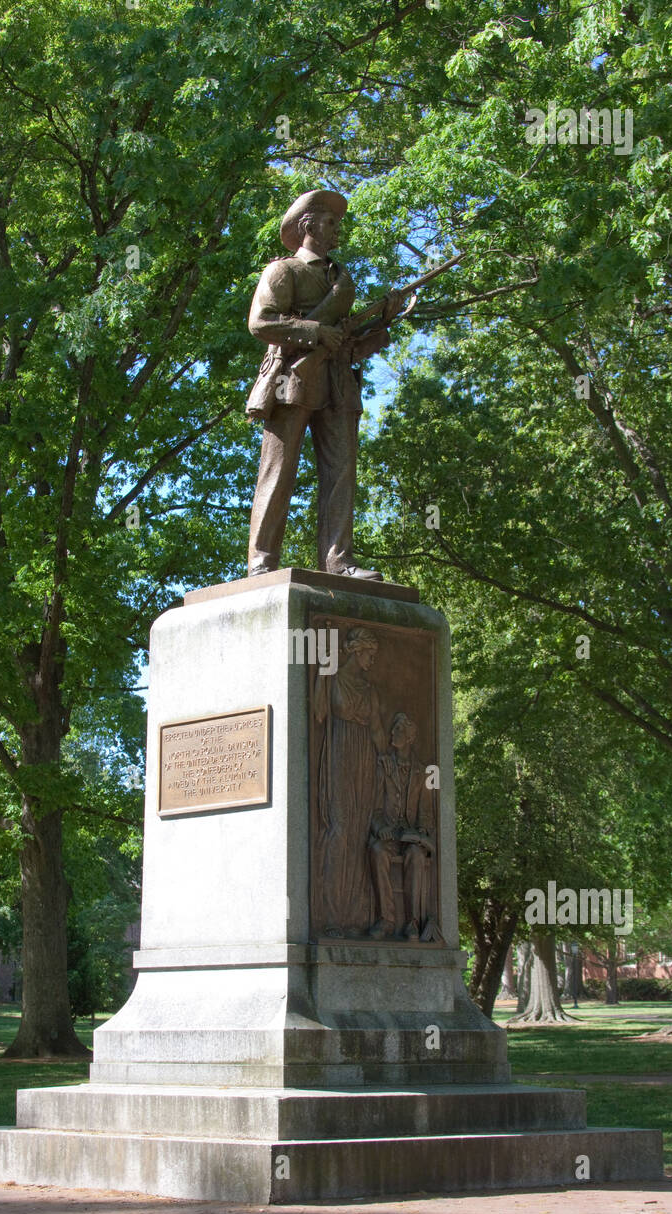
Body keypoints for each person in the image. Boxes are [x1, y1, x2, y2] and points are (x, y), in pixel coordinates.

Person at [245, 189, 404, 578]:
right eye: (330, 222)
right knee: (278, 471)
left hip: (337, 382)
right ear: (308, 225)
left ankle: (339, 562)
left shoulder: (340, 278)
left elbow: (346, 340)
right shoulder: (283, 271)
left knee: (342, 473)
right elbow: (261, 323)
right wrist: (315, 330)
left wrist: (384, 319)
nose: (337, 231)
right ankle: (262, 563)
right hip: (291, 380)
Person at [314, 626, 386, 936]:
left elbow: (378, 732)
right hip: (340, 755)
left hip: (365, 761)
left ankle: (355, 919)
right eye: (370, 653)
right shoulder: (333, 676)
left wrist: (391, 767)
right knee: (339, 831)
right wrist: (322, 672)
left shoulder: (370, 690)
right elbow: (318, 713)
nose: (373, 660)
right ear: (357, 650)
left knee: (358, 835)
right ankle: (331, 916)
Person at [368, 712, 441, 942]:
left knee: (416, 857)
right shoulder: (384, 766)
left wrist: (419, 835)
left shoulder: (424, 772)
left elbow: (426, 814)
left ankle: (412, 923)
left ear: (410, 737)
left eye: (398, 730)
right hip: (389, 837)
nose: (392, 733)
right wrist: (380, 827)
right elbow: (374, 808)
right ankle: (386, 919)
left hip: (411, 839)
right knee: (378, 851)